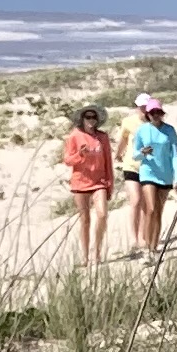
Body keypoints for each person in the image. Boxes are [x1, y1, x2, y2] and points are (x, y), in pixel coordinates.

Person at [62, 101, 118, 267]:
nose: (91, 120)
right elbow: (67, 160)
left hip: (99, 182)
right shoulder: (74, 136)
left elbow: (108, 161)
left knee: (102, 214)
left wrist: (110, 184)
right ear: (82, 118)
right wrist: (80, 155)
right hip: (80, 183)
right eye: (88, 116)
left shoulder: (102, 137)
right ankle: (85, 257)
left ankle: (97, 251)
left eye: (94, 117)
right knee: (85, 220)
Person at [126, 93, 177, 256]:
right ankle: (147, 248)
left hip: (165, 174)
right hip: (148, 172)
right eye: (152, 113)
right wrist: (142, 153)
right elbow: (135, 154)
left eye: (159, 112)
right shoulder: (142, 131)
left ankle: (154, 246)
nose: (156, 115)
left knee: (158, 211)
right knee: (150, 208)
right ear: (148, 114)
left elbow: (176, 155)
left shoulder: (169, 131)